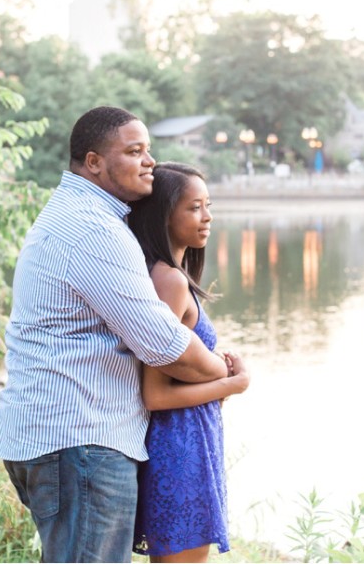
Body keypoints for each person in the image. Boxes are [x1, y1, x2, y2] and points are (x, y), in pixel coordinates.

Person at [0, 106, 242, 563]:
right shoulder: (93, 230)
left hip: (58, 434)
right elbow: (163, 345)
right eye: (134, 150)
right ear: (94, 161)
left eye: (149, 150)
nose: (148, 161)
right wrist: (223, 373)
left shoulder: (79, 217)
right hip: (79, 436)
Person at [127, 162, 251, 563]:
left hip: (189, 436)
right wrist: (231, 385)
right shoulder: (169, 281)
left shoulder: (172, 275)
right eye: (194, 207)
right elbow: (155, 394)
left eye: (208, 205)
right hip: (178, 445)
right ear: (165, 214)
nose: (208, 217)